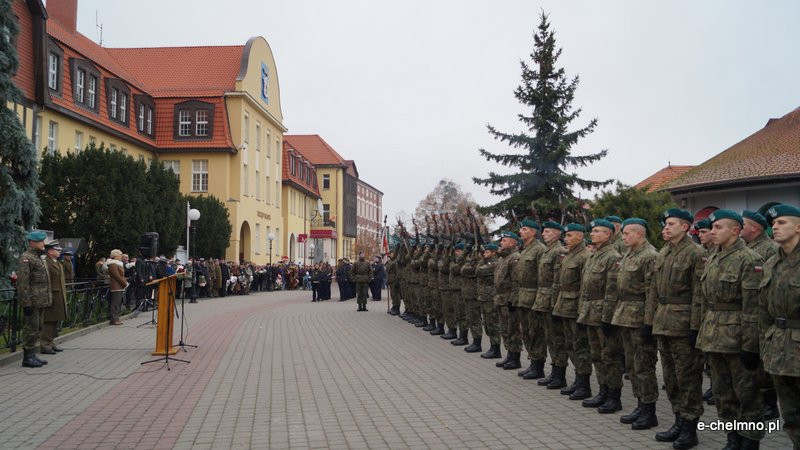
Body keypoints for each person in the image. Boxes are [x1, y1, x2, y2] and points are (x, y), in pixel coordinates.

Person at [697, 209, 764, 449]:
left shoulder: (749, 259)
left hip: (736, 339)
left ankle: (750, 441)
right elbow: (705, 300)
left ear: (735, 231)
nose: (712, 232)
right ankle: (732, 438)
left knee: (747, 394)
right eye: (712, 228)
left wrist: (750, 346)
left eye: (718, 228)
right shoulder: (714, 257)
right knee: (723, 394)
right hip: (713, 335)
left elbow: (753, 308)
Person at [645, 208, 705, 448]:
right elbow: (653, 292)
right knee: (670, 377)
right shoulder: (663, 253)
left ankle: (691, 427)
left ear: (685, 226)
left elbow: (699, 295)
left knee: (688, 378)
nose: (665, 228)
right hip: (663, 322)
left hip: (683, 325)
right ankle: (679, 419)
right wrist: (649, 322)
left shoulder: (696, 253)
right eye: (665, 224)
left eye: (671, 224)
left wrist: (695, 327)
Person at [608, 218, 659, 429]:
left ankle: (649, 410)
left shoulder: (650, 256)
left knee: (643, 365)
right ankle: (640, 404)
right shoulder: (629, 254)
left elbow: (651, 293)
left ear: (640, 234)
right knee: (631, 365)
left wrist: (648, 323)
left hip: (639, 318)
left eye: (627, 233)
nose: (623, 236)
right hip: (625, 316)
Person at [759, 204, 800, 447]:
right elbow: (763, 311)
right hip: (778, 349)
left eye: (782, 222)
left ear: (798, 227)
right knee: (791, 414)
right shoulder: (771, 264)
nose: (775, 226)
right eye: (773, 224)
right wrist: (763, 345)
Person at [578, 218, 623, 414]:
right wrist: (581, 314)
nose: (592, 234)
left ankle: (614, 396)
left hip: (603, 313)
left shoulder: (612, 257)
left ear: (608, 234)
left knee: (609, 356)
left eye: (597, 231)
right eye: (592, 231)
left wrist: (607, 317)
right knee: (596, 355)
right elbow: (584, 289)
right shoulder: (593, 256)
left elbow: (612, 291)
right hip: (589, 312)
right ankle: (603, 390)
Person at [741, 209, 781, 422]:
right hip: (748, 314)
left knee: (762, 363)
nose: (739, 227)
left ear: (754, 228)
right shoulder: (749, 248)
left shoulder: (768, 249)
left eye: (743, 224)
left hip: (761, 313)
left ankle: (769, 403)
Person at [552, 223, 593, 400]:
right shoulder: (569, 255)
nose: (566, 239)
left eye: (569, 236)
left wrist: (582, 312)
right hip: (564, 307)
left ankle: (584, 384)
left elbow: (585, 288)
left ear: (580, 237)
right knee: (571, 345)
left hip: (576, 307)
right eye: (565, 236)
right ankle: (578, 380)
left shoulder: (585, 256)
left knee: (581, 347)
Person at [534, 221, 568, 388]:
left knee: (557, 339)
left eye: (547, 231)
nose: (544, 234)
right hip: (543, 299)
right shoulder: (547, 251)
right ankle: (554, 371)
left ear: (556, 234)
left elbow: (557, 281)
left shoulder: (559, 252)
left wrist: (555, 305)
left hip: (552, 300)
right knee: (550, 337)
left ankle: (560, 374)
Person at [513, 219, 547, 379]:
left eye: (524, 229)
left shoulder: (539, 249)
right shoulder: (526, 249)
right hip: (523, 297)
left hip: (534, 296)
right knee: (526, 332)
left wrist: (541, 300)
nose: (521, 232)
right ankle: (533, 362)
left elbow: (543, 277)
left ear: (533, 232)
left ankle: (538, 366)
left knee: (536, 333)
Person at [17, 230, 51, 368]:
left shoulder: (38, 257)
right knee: (30, 329)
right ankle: (27, 357)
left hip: (40, 300)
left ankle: (32, 354)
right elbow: (23, 283)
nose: (43, 243)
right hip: (32, 300)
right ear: (32, 242)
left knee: (37, 327)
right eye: (41, 241)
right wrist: (26, 303)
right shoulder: (26, 258)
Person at [494, 231, 522, 370]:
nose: (501, 243)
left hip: (509, 300)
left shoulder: (515, 258)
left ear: (512, 242)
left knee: (513, 330)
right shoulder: (502, 258)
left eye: (504, 240)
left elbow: (516, 281)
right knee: (505, 329)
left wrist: (513, 300)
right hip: (500, 299)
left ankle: (515, 358)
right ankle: (509, 355)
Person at [476, 243, 501, 358]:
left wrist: (482, 260)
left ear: (493, 252)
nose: (484, 254)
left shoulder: (495, 263)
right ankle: (492, 347)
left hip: (491, 298)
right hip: (485, 298)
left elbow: (479, 271)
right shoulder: (487, 262)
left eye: (487, 252)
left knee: (493, 323)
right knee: (487, 323)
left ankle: (496, 349)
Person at [41, 240, 67, 354]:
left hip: (59, 296)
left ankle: (51, 343)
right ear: (50, 251)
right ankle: (45, 345)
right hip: (51, 296)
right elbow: (45, 281)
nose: (60, 252)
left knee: (55, 321)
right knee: (48, 322)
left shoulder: (57, 262)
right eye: (58, 250)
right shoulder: (45, 262)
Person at [107, 249, 128, 325]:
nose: (121, 257)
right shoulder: (113, 264)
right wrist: (125, 284)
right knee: (115, 303)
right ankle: (114, 320)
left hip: (119, 285)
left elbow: (120, 276)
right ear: (115, 256)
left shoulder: (117, 264)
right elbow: (117, 276)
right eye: (120, 255)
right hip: (116, 286)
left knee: (117, 303)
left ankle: (116, 319)